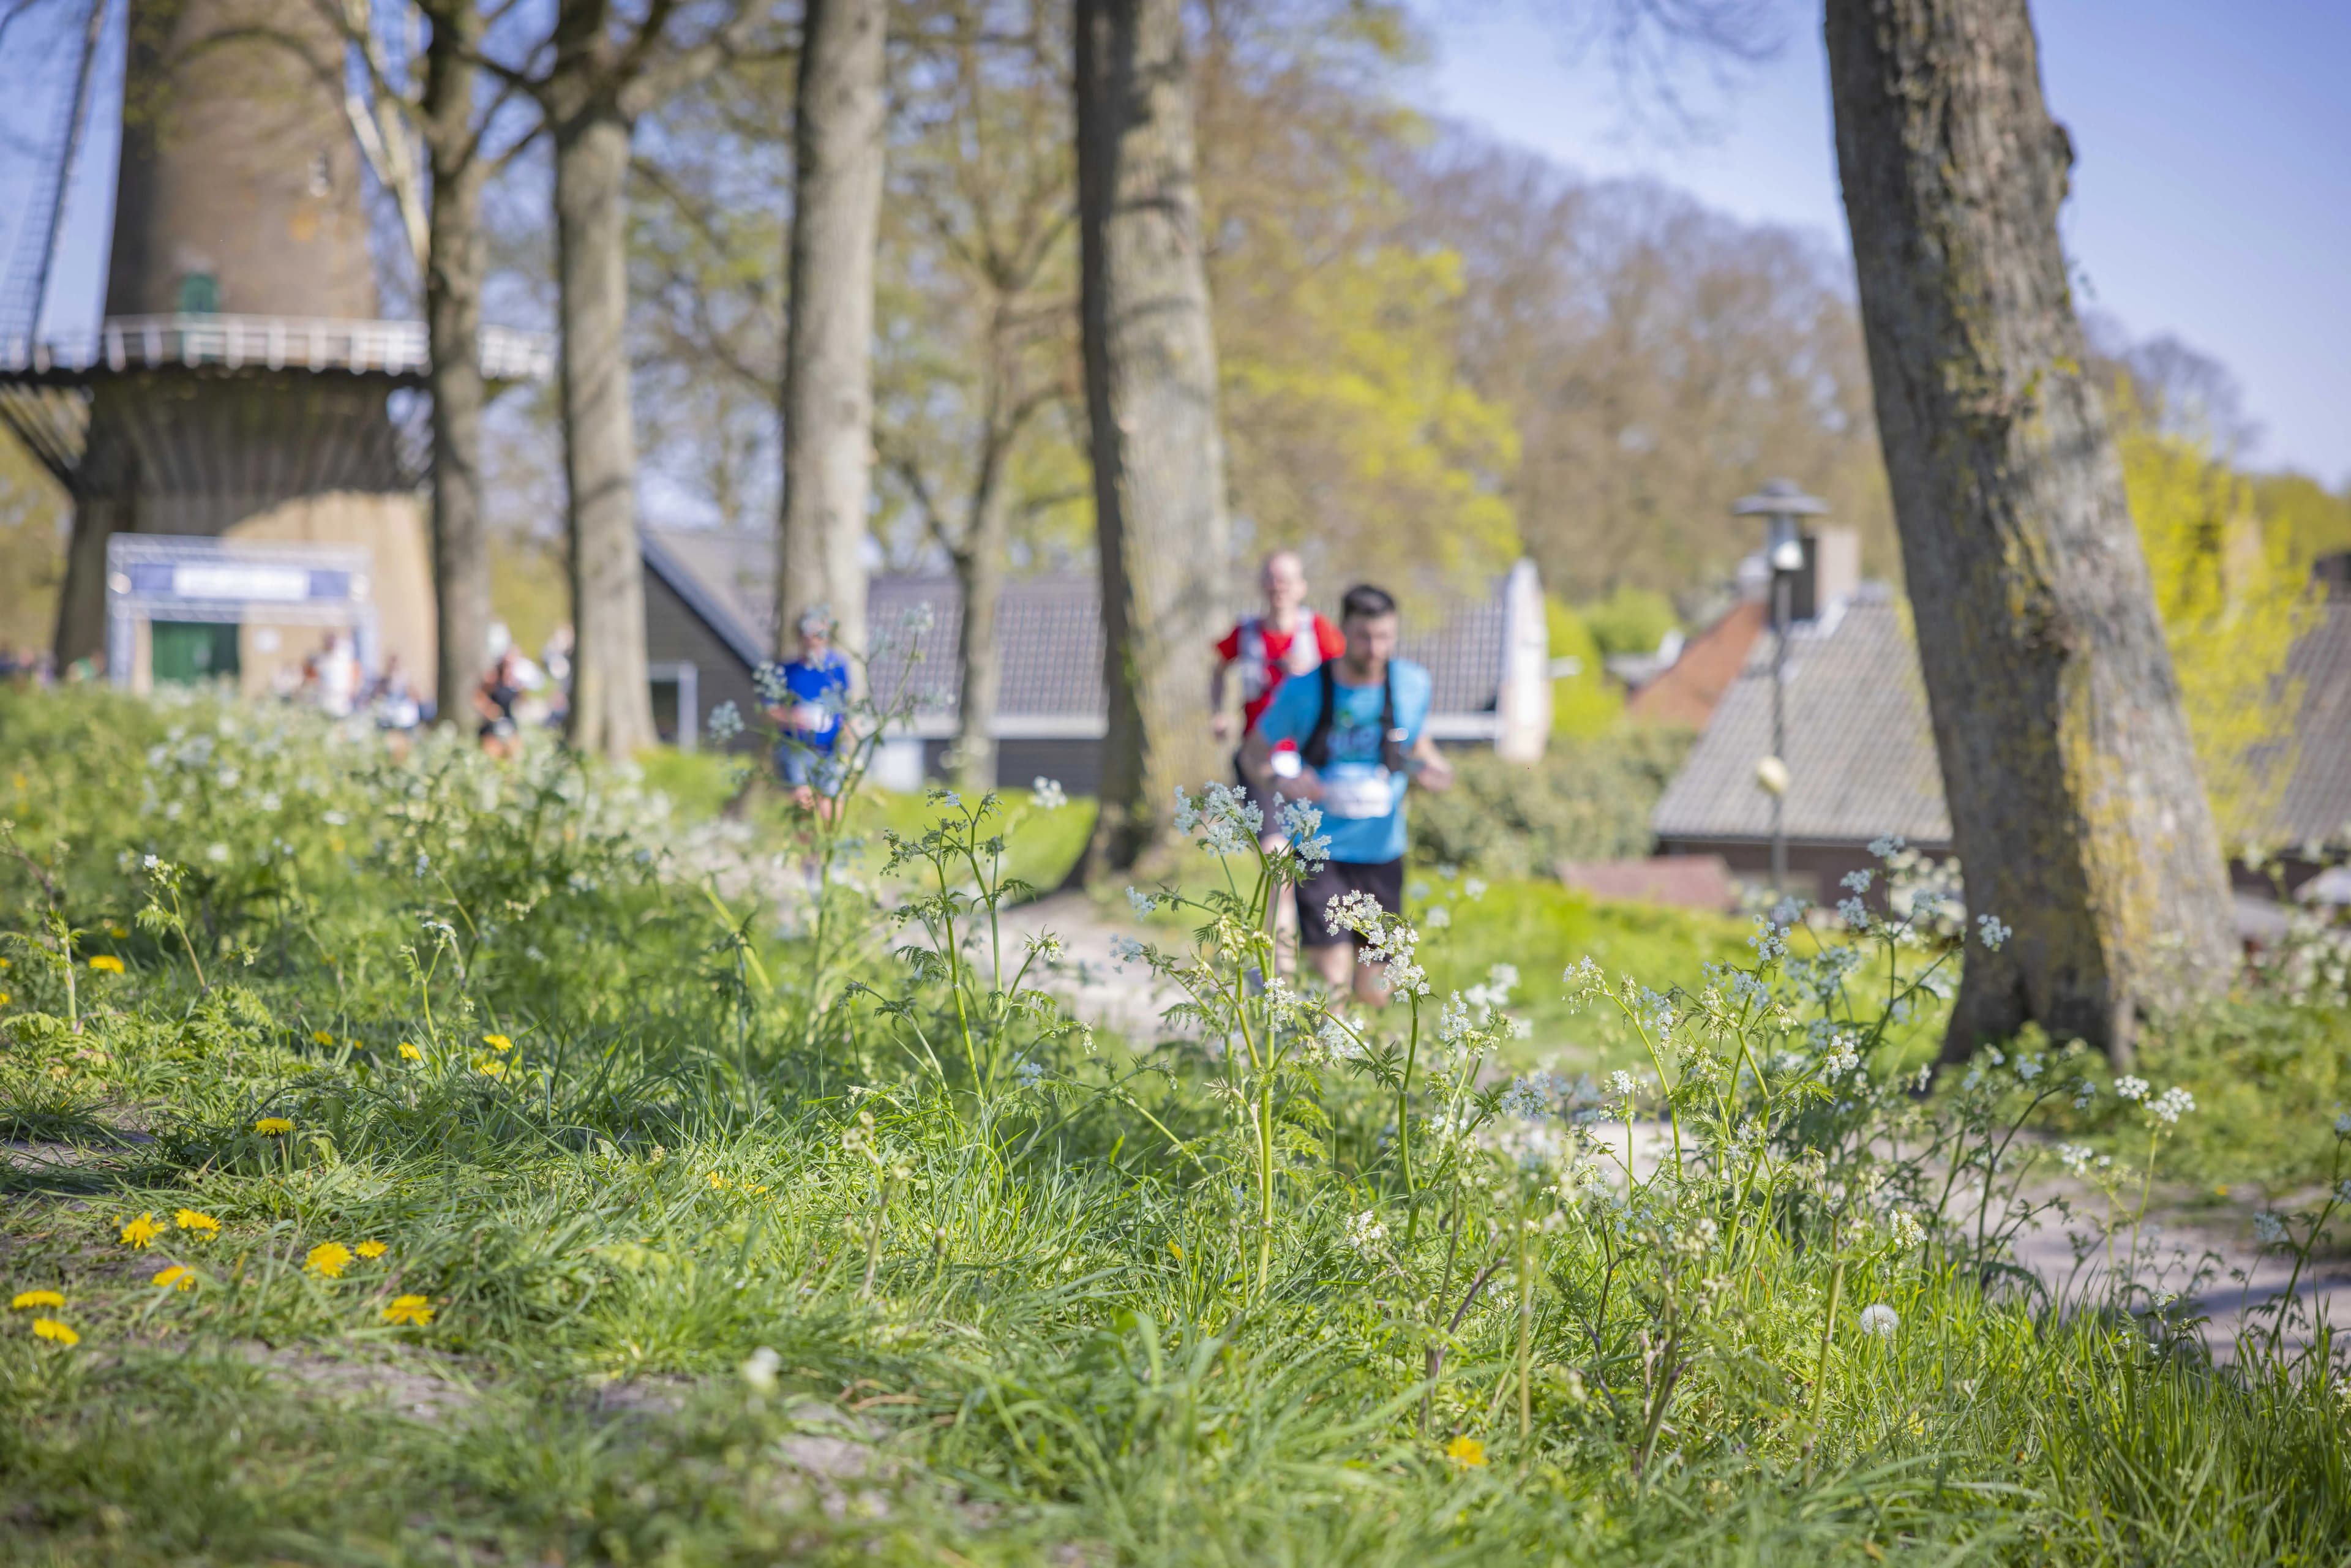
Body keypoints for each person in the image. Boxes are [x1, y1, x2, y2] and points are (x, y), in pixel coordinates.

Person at [1240, 582, 1454, 1007]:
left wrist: (1433, 766)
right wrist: (1283, 780)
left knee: (1376, 990)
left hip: (1382, 851)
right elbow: (1253, 754)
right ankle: (1322, 1059)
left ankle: (1360, 1057)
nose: (1375, 648)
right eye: (1364, 637)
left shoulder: (1412, 683)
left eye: (1385, 637)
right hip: (1322, 851)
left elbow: (1416, 743)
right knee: (1333, 979)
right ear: (1344, 632)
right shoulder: (1305, 689)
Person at [767, 607, 852, 816]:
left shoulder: (838, 668)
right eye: (809, 635)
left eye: (819, 634)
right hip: (798, 750)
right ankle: (808, 849)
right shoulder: (786, 671)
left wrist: (848, 737)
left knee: (831, 807)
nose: (813, 640)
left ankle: (828, 848)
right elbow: (770, 710)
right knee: (804, 806)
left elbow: (846, 708)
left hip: (830, 750)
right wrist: (793, 718)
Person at [474, 648, 522, 758]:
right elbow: (479, 698)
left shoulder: (515, 681)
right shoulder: (492, 679)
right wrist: (489, 709)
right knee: (493, 756)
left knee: (514, 756)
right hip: (492, 726)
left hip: (509, 723)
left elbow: (521, 700)